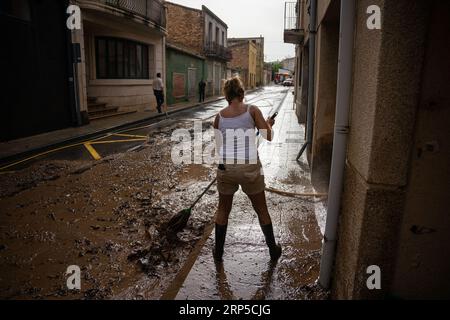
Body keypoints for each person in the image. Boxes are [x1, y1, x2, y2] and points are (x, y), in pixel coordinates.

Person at [212, 76, 282, 263]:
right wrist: (268, 125)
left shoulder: (218, 117)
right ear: (242, 93)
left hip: (226, 168)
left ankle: (218, 253)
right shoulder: (252, 110)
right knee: (261, 210)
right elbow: (268, 136)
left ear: (226, 95)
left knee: (223, 210)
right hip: (249, 167)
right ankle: (273, 251)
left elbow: (219, 148)